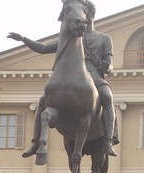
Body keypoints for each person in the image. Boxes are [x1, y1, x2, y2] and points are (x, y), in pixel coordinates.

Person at [7, 0, 117, 158]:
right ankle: (36, 141)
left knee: (107, 97)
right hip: (71, 73)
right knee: (43, 100)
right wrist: (24, 38)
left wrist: (107, 67)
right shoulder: (73, 37)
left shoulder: (104, 38)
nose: (85, 17)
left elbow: (111, 65)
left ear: (91, 16)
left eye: (87, 13)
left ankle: (107, 141)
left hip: (94, 73)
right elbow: (43, 48)